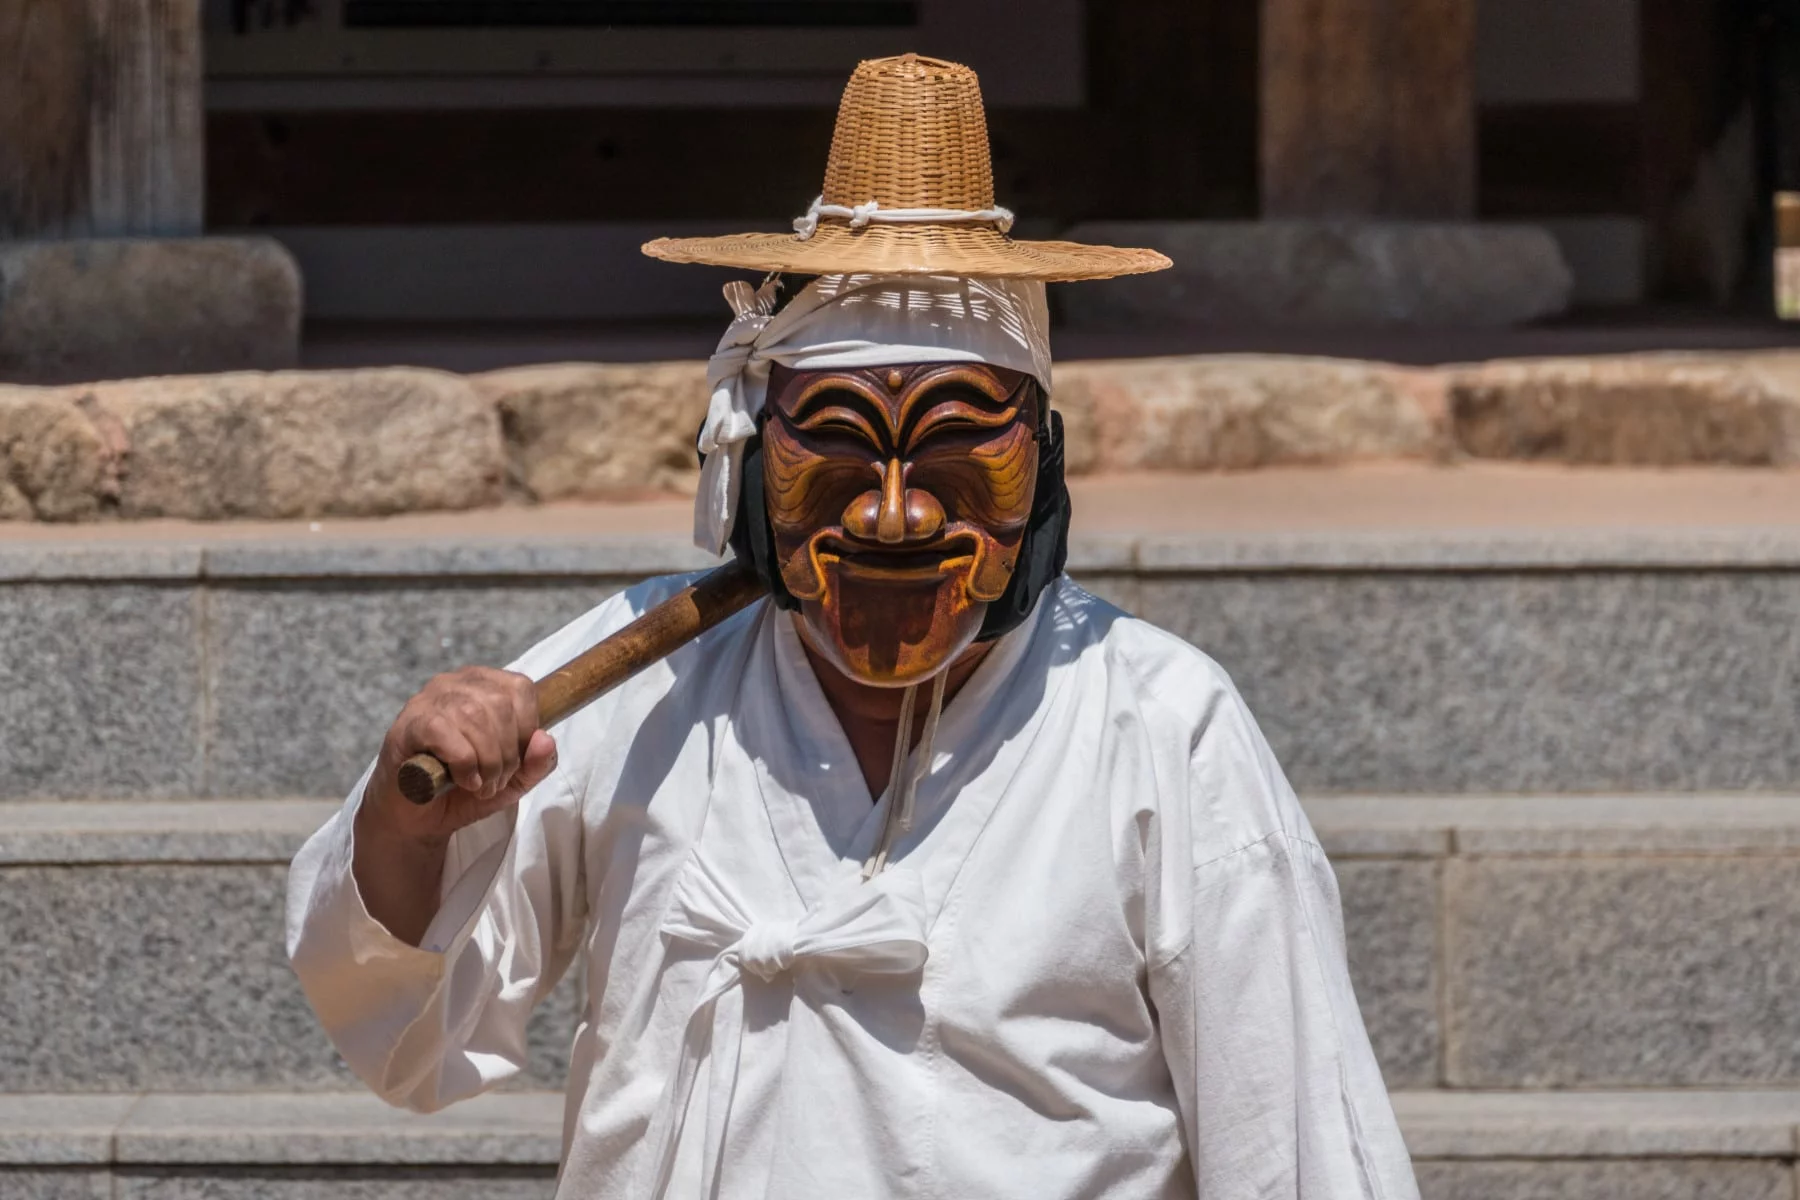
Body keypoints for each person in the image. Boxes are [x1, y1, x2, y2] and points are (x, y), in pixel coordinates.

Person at [287, 53, 1420, 1200]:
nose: (891, 511)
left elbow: (1296, 1151)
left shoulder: (1160, 721)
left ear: (1043, 463)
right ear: (751, 460)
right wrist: (409, 822)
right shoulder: (639, 685)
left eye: (953, 449)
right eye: (834, 446)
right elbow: (409, 1033)